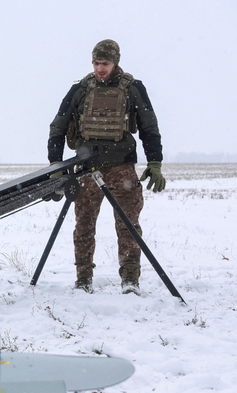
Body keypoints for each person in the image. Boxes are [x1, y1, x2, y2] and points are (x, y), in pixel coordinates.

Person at [48, 39, 165, 295]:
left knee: (128, 224)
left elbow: (149, 127)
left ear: (116, 63)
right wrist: (55, 163)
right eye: (97, 63)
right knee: (84, 225)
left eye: (106, 63)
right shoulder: (80, 90)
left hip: (121, 168)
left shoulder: (132, 89)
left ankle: (130, 279)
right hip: (87, 169)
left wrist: (154, 161)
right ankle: (83, 280)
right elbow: (57, 126)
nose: (100, 69)